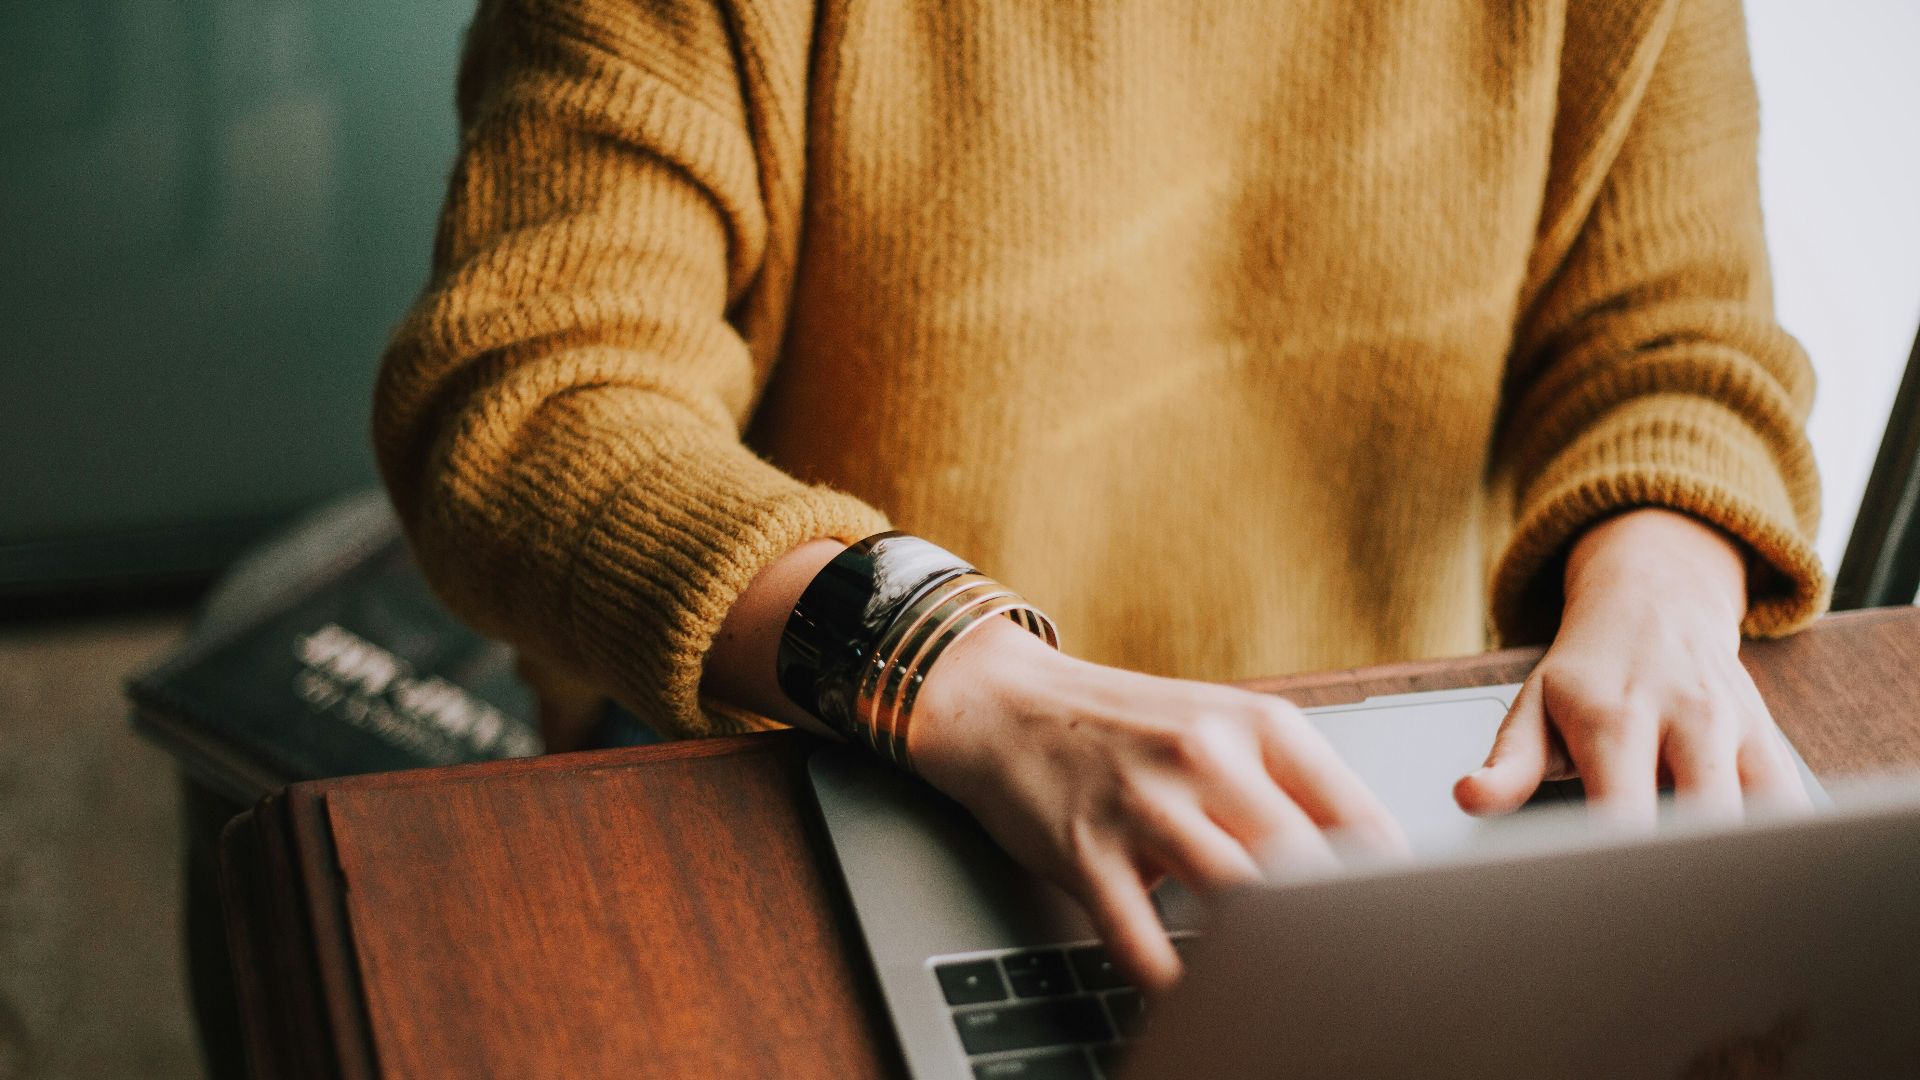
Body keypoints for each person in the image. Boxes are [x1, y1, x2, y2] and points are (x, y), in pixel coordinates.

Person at [374, 0, 1826, 992]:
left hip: (1375, 795)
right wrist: (953, 668)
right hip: (829, 747)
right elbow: (529, 398)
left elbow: (1677, 341)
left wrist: (1665, 578)